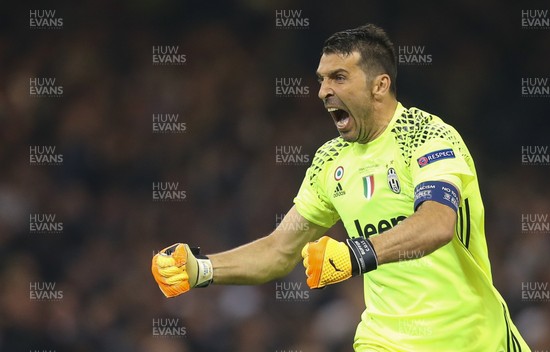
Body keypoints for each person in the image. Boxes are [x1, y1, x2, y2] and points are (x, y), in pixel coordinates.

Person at [151, 24, 530, 351]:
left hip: (479, 337)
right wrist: (202, 269)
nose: (323, 91)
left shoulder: (427, 136)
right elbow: (280, 249)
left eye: (339, 77)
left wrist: (355, 254)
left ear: (380, 85)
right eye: (321, 79)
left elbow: (436, 223)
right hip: (384, 339)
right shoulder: (330, 161)